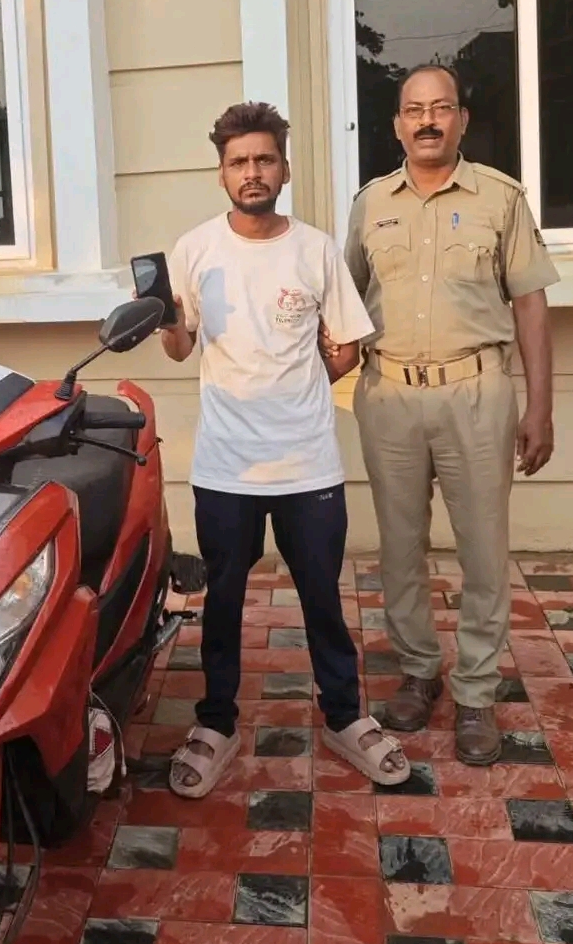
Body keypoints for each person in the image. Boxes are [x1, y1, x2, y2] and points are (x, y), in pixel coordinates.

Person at [160, 100, 410, 799]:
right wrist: (168, 321)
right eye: (238, 161)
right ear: (222, 173)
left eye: (264, 159)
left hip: (308, 464)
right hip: (226, 466)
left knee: (322, 598)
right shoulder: (194, 251)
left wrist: (299, 388)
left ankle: (345, 716)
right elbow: (179, 347)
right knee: (223, 601)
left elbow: (347, 345)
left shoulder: (316, 249)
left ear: (285, 169)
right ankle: (216, 723)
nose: (252, 171)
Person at [341, 65, 558, 766]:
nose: (427, 121)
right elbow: (342, 306)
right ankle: (417, 670)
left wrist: (541, 406)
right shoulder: (370, 204)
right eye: (414, 110)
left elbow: (531, 305)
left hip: (477, 393)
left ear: (461, 119)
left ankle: (476, 691)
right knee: (399, 547)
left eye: (441, 108)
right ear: (397, 125)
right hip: (390, 396)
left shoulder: (500, 198)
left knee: (483, 550)